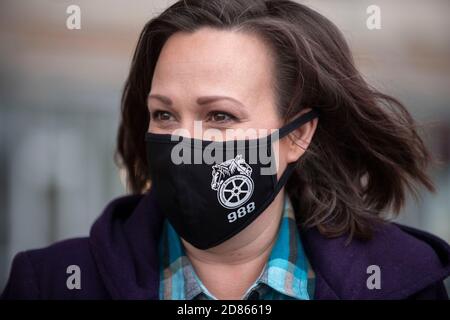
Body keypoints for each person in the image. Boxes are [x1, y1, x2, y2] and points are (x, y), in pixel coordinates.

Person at [2, 0, 450, 300]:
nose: (182, 143)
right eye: (163, 115)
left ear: (298, 135)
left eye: (219, 117)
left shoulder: (402, 284)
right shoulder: (50, 283)